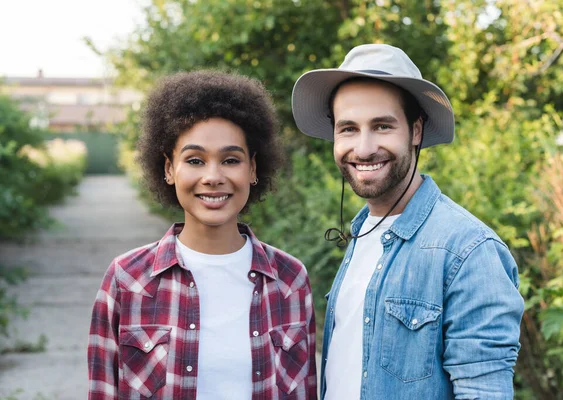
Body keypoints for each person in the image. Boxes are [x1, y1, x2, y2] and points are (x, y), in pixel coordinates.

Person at [291, 44, 524, 399]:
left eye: (382, 126)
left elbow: (484, 390)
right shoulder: (363, 233)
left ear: (416, 131)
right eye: (348, 129)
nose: (364, 148)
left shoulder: (469, 250)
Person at [88, 71, 317, 399]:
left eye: (230, 160)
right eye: (195, 160)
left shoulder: (290, 281)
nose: (213, 176)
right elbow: (102, 390)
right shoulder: (127, 280)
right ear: (169, 169)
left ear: (252, 169)